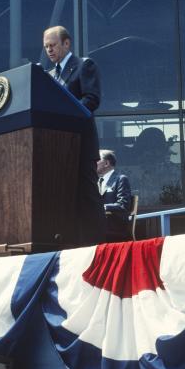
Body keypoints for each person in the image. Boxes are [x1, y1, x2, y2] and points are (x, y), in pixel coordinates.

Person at [43, 25, 106, 246]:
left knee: (87, 195)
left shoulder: (83, 66)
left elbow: (92, 99)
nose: (49, 50)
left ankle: (97, 245)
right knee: (65, 197)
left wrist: (67, 114)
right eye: (46, 47)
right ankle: (72, 244)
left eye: (53, 45)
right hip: (58, 147)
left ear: (66, 43)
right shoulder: (48, 76)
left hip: (80, 143)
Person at [96, 149, 133, 242]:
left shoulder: (120, 179)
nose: (94, 163)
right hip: (100, 225)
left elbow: (123, 205)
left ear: (106, 163)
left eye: (97, 160)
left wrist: (103, 207)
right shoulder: (97, 182)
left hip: (114, 226)